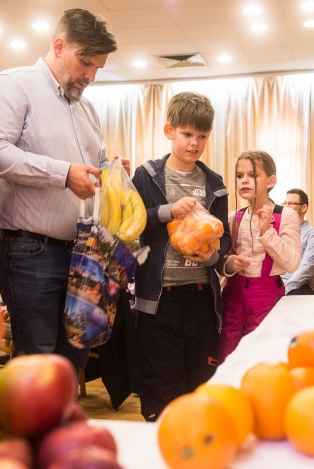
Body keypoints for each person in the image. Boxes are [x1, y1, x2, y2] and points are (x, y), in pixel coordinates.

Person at [0, 8, 120, 373]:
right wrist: (63, 173)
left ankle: (65, 430)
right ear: (59, 46)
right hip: (29, 253)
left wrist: (112, 172)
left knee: (73, 363)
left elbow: (97, 162)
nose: (90, 75)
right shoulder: (13, 85)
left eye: (97, 68)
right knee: (37, 366)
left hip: (82, 254)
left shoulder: (86, 109)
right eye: (85, 63)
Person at [131, 92, 231, 422]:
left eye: (202, 136)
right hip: (159, 301)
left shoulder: (215, 183)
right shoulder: (146, 176)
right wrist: (166, 211)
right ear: (169, 130)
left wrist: (214, 257)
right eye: (188, 134)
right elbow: (131, 224)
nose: (195, 143)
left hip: (202, 300)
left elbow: (224, 239)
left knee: (200, 388)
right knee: (162, 389)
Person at [220, 150, 301, 361]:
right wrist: (229, 264)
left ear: (271, 181)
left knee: (263, 355)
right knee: (229, 353)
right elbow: (222, 259)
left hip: (267, 296)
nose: (244, 180)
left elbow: (292, 263)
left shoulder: (286, 215)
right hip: (233, 294)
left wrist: (267, 232)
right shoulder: (233, 217)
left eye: (253, 175)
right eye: (240, 176)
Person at [281, 189, 314, 295]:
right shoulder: (278, 232)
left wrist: (284, 290)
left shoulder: (313, 235)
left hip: (300, 286)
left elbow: (306, 269)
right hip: (277, 283)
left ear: (304, 207)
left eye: (291, 204)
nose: (286, 207)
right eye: (284, 203)